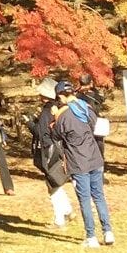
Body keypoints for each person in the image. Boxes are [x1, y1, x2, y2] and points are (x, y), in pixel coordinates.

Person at [52, 78, 114, 247]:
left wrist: (54, 116)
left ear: (60, 96)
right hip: (95, 157)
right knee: (99, 196)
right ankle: (108, 232)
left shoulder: (62, 115)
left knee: (85, 200)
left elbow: (56, 135)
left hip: (78, 162)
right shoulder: (86, 107)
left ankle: (91, 237)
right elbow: (94, 126)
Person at [26, 79, 75, 228]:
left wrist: (29, 122)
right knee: (56, 181)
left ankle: (59, 218)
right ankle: (67, 210)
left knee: (52, 183)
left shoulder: (47, 110)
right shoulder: (59, 108)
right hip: (59, 148)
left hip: (48, 149)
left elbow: (41, 132)